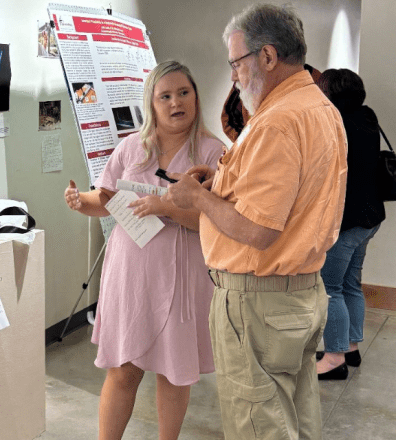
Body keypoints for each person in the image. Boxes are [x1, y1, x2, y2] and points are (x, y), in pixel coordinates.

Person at [162, 4, 347, 440]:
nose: (233, 76)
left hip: (259, 304)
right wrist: (223, 180)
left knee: (258, 426)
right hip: (298, 293)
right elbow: (292, 195)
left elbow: (258, 230)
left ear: (267, 57)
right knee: (294, 420)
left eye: (236, 63)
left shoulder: (277, 121)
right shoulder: (319, 107)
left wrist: (196, 199)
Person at [64, 61, 223, 440]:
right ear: (151, 103)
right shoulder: (132, 147)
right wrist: (79, 201)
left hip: (184, 277)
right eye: (164, 96)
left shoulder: (214, 152)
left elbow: (216, 222)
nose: (175, 102)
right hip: (131, 276)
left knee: (174, 372)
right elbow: (105, 199)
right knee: (123, 370)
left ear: (196, 96)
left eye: (183, 93)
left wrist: (167, 208)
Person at [315, 69, 386, 380]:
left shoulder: (336, 124)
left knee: (330, 288)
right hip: (370, 218)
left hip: (347, 221)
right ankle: (350, 348)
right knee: (350, 284)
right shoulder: (367, 117)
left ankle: (333, 358)